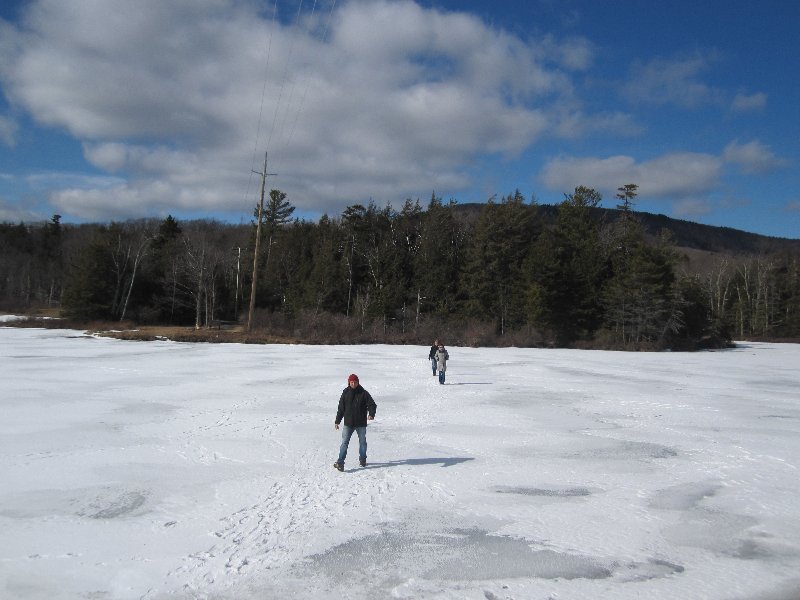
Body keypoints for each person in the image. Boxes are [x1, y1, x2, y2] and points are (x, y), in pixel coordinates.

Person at [333, 373, 377, 471]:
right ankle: (340, 463)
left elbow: (372, 404)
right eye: (351, 382)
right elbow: (341, 408)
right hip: (348, 423)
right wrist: (337, 421)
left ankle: (362, 460)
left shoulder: (363, 393)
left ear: (358, 382)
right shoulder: (345, 392)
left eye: (355, 382)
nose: (353, 384)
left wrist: (371, 414)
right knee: (344, 443)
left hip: (361, 423)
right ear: (349, 382)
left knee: (362, 443)